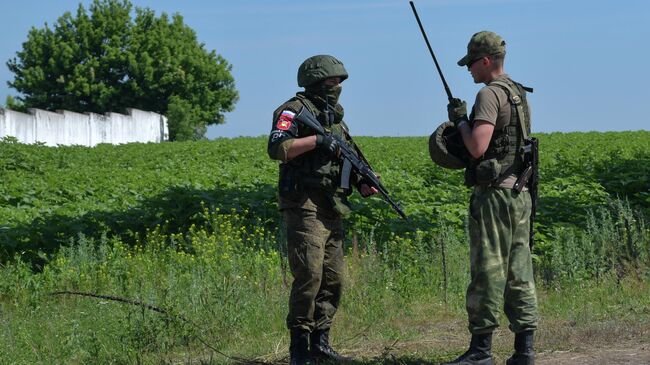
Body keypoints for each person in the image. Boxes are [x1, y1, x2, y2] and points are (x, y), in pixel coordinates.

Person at [267, 55, 376, 365]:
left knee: (333, 279)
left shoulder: (335, 119)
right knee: (309, 276)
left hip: (331, 204)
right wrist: (315, 140)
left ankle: (321, 343)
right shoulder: (293, 111)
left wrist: (363, 181)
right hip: (304, 204)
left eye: (340, 82)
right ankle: (299, 349)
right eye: (332, 82)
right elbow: (278, 149)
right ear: (315, 82)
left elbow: (347, 157)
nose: (338, 87)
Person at [440, 31, 539, 365]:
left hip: (495, 195)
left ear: (485, 61)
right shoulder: (518, 93)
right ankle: (524, 351)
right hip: (520, 194)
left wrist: (460, 122)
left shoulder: (489, 95)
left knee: (488, 271)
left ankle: (480, 352)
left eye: (471, 64)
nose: (469, 70)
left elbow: (477, 147)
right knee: (520, 271)